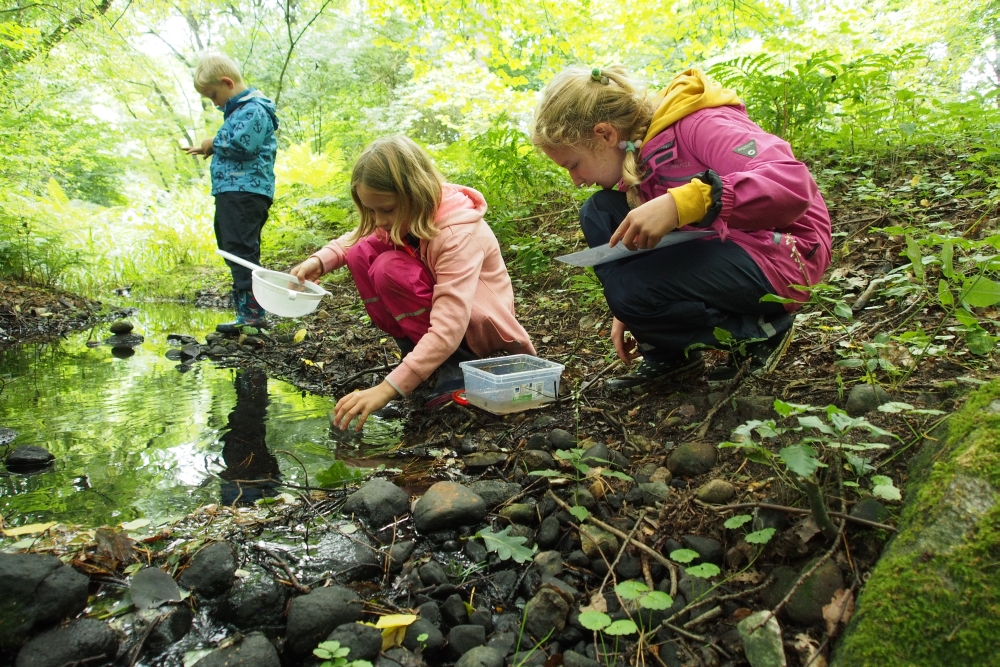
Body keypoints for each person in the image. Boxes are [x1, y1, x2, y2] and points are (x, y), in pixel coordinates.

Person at [532, 66, 831, 389]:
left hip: (782, 253)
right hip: (722, 246)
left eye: (573, 165)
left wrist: (684, 203)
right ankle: (670, 354)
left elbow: (794, 184)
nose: (576, 180)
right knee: (599, 212)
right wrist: (636, 313)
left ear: (605, 134)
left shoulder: (699, 125)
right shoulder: (639, 152)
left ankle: (765, 329)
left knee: (629, 287)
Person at [290, 135, 535, 429]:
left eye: (387, 209)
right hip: (443, 328)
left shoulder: (458, 235)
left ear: (415, 195)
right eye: (371, 210)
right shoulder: (406, 218)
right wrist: (320, 260)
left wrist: (386, 389)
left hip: (476, 332)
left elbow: (449, 326)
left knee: (389, 268)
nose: (379, 220)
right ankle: (420, 363)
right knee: (361, 253)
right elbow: (357, 237)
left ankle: (455, 367)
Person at [184, 53, 279, 334]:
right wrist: (208, 147)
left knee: (241, 249)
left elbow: (244, 144)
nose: (214, 103)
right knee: (231, 247)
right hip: (232, 190)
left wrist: (212, 142)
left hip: (245, 191)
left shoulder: (255, 109)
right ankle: (246, 311)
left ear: (227, 82)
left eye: (214, 95)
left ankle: (252, 314)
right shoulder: (239, 112)